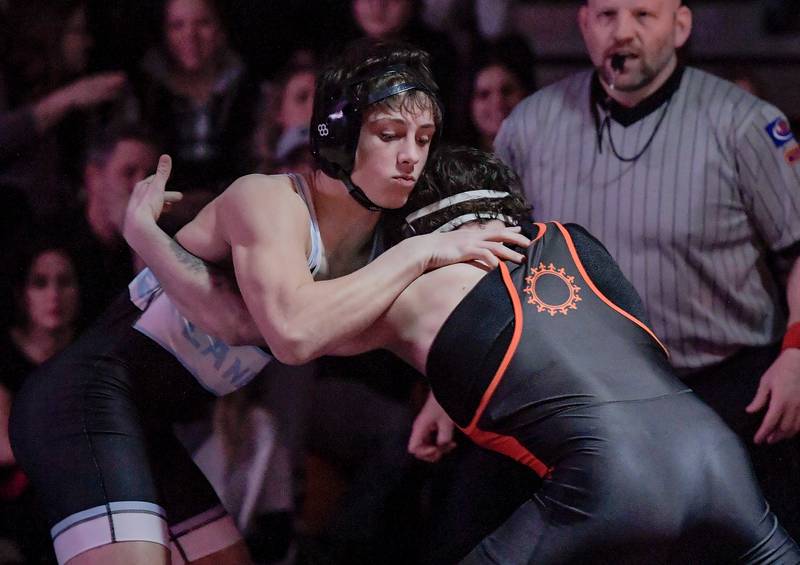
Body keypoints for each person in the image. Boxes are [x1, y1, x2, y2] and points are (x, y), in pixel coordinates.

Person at [10, 41, 528, 565]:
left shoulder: (381, 245)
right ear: (340, 138)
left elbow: (392, 327)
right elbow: (290, 331)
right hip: (81, 399)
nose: (412, 156)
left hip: (143, 420)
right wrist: (421, 254)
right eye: (391, 135)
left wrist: (443, 389)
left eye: (424, 138)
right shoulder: (271, 201)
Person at [331, 145, 800, 563]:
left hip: (610, 480)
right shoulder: (575, 241)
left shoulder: (420, 286)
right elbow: (571, 343)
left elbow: (291, 332)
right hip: (715, 453)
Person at [494, 0, 800, 536]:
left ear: (680, 25)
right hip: (582, 393)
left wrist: (797, 355)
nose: (623, 33)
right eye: (608, 15)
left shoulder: (745, 123)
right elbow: (491, 265)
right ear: (584, 24)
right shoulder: (530, 126)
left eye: (643, 15)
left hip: (722, 382)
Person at [1, 241, 82, 564]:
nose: (54, 295)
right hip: (19, 502)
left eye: (64, 282)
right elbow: (5, 446)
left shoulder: (92, 353)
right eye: (40, 283)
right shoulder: (5, 355)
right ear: (23, 293)